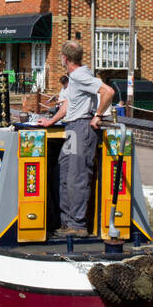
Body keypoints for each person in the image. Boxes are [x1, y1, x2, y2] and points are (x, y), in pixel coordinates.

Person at [39, 41, 115, 238]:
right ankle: (66, 221)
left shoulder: (80, 75)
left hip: (82, 128)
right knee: (62, 172)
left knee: (77, 176)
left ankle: (78, 225)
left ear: (65, 58)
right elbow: (68, 105)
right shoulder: (75, 77)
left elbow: (108, 91)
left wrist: (97, 115)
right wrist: (50, 121)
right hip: (72, 128)